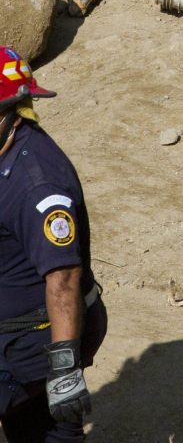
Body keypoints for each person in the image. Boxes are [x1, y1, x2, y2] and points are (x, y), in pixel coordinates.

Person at [0, 49, 107, 443]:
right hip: (13, 338)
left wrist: (64, 368)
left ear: (10, 110)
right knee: (36, 429)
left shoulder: (36, 184)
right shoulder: (6, 149)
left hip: (33, 343)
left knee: (48, 426)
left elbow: (63, 277)